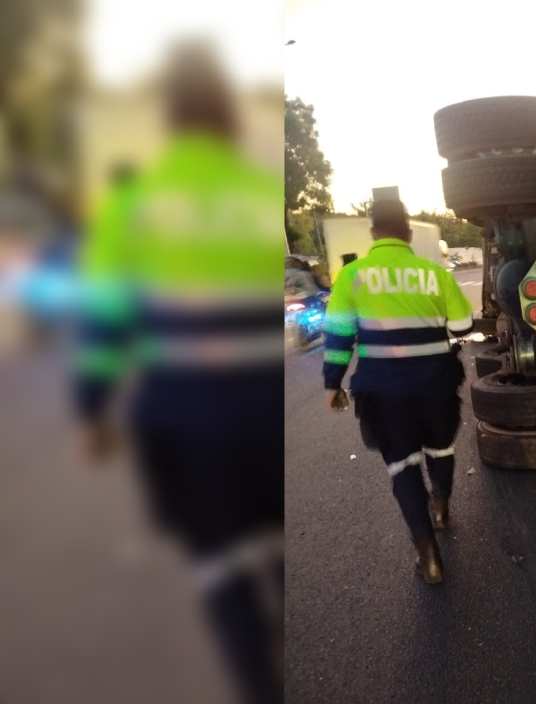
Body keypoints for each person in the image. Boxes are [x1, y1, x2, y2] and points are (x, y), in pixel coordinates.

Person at [74, 42, 283, 704]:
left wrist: (92, 412)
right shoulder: (257, 196)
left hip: (181, 417)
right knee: (275, 542)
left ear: (169, 116)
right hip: (264, 413)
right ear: (224, 111)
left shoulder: (132, 205)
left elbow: (106, 326)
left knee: (219, 562)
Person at [322, 198, 473, 584]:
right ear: (408, 233)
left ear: (373, 233)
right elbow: (461, 325)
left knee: (402, 466)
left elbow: (339, 336)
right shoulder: (434, 274)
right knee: (441, 449)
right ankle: (440, 510)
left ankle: (429, 559)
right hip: (436, 383)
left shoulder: (351, 276)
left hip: (383, 391)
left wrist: (332, 384)